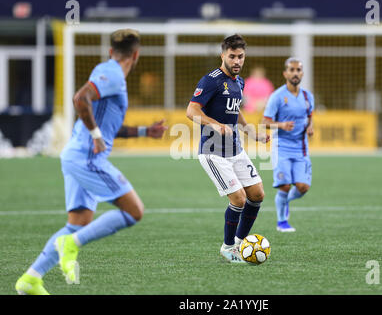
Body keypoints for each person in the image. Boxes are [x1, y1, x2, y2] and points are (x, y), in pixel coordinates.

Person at [15, 29, 168, 295]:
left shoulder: (108, 73)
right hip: (87, 157)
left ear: (111, 51)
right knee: (134, 211)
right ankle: (70, 244)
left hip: (75, 155)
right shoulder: (113, 74)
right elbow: (79, 99)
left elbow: (109, 127)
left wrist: (145, 131)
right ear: (136, 54)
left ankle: (31, 278)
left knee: (77, 223)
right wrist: (96, 136)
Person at [186, 34, 270, 263]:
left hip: (235, 149)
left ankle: (242, 242)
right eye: (232, 56)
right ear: (223, 55)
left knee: (257, 194)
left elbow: (236, 111)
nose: (236, 61)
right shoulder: (211, 80)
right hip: (213, 153)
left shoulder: (239, 82)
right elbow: (191, 111)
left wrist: (251, 132)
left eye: (240, 56)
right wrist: (216, 124)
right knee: (239, 199)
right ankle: (228, 246)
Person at [262, 58, 314, 232]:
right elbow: (264, 122)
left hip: (301, 148)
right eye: (291, 70)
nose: (295, 73)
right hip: (281, 147)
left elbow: (310, 116)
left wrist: (310, 127)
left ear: (302, 73)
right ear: (285, 73)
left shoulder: (307, 96)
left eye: (298, 70)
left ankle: (286, 202)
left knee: (302, 187)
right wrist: (282, 125)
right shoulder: (277, 96)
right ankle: (281, 222)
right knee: (284, 185)